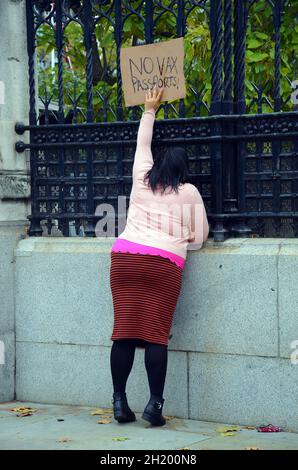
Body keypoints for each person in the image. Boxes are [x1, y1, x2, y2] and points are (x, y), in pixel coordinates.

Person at [109, 85, 209, 426]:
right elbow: (200, 236)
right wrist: (180, 241)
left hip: (123, 258)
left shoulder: (140, 179)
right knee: (155, 334)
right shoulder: (189, 191)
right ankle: (154, 405)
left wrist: (150, 108)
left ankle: (119, 403)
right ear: (183, 169)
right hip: (162, 265)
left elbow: (142, 144)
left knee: (123, 332)